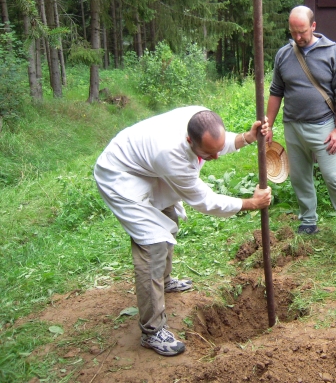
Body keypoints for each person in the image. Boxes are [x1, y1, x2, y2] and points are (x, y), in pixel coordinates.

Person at [94, 107, 272, 356]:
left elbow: (215, 144)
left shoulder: (200, 117)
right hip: (121, 175)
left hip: (147, 166)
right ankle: (152, 331)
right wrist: (250, 203)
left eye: (217, 150)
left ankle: (164, 281)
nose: (215, 157)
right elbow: (205, 201)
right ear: (189, 140)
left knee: (169, 214)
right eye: (208, 155)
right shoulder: (170, 154)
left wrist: (246, 137)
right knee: (152, 244)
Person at [265, 5, 336, 256]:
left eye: (302, 32)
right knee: (299, 176)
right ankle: (308, 221)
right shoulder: (284, 54)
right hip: (292, 125)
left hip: (324, 127)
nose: (298, 37)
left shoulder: (332, 52)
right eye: (293, 32)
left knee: (334, 178)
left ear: (313, 26)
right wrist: (269, 124)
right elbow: (276, 91)